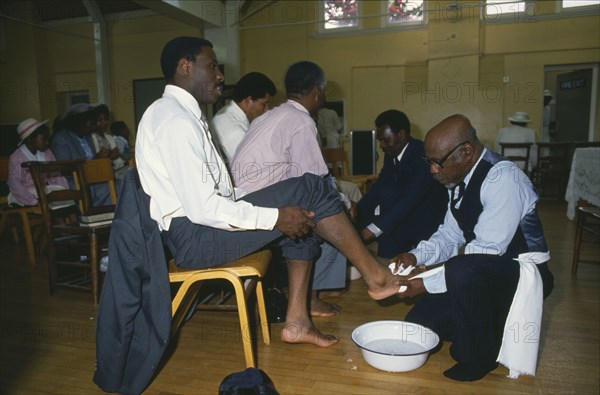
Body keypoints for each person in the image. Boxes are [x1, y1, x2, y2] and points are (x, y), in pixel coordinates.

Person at [134, 37, 401, 348]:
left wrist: (279, 203)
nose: (220, 76)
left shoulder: (184, 115)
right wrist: (274, 216)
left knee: (303, 202)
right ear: (185, 67)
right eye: (213, 67)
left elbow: (222, 191)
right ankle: (375, 275)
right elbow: (204, 209)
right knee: (309, 190)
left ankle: (298, 321)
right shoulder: (174, 120)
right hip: (195, 239)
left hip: (200, 229)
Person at [392, 114, 554, 382]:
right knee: (418, 326)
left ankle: (479, 357)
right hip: (488, 273)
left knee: (461, 270)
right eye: (428, 161)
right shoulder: (459, 180)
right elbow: (449, 235)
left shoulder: (503, 178)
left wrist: (426, 282)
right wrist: (414, 255)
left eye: (437, 162)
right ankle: (493, 325)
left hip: (525, 276)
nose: (432, 170)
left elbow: (484, 252)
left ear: (466, 151)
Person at [231, 61, 352, 317]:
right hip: (258, 210)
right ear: (318, 91)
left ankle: (315, 294)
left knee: (329, 205)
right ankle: (313, 299)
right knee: (332, 213)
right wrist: (345, 203)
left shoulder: (272, 115)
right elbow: (314, 184)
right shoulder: (300, 120)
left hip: (244, 203)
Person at [356, 109, 448, 259]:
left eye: (385, 140)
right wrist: (356, 213)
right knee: (384, 193)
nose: (382, 145)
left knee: (388, 202)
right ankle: (389, 254)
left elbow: (410, 199)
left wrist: (372, 230)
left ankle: (397, 252)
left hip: (429, 217)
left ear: (402, 134)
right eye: (380, 140)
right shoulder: (391, 154)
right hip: (408, 210)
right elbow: (378, 187)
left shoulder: (423, 155)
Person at [7, 118, 77, 220]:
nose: (48, 142)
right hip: (24, 193)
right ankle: (62, 230)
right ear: (30, 139)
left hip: (43, 189)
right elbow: (15, 184)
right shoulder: (17, 157)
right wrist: (33, 201)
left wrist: (64, 191)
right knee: (51, 200)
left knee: (63, 199)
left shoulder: (47, 152)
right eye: (44, 139)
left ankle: (74, 229)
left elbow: (55, 175)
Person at [51, 103, 112, 207]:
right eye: (91, 124)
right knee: (107, 188)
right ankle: (97, 217)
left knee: (121, 184)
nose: (94, 127)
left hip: (92, 177)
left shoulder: (87, 138)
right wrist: (95, 160)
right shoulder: (61, 140)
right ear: (78, 123)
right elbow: (66, 169)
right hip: (73, 181)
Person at [211, 72, 277, 163]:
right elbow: (253, 167)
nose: (267, 109)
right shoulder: (232, 128)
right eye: (264, 104)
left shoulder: (231, 115)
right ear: (248, 101)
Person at [91, 104, 128, 181]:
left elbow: (119, 161)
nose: (104, 123)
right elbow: (92, 163)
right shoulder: (91, 138)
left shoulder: (110, 138)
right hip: (101, 176)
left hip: (116, 172)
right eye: (100, 120)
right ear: (94, 121)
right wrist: (110, 157)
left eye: (106, 119)